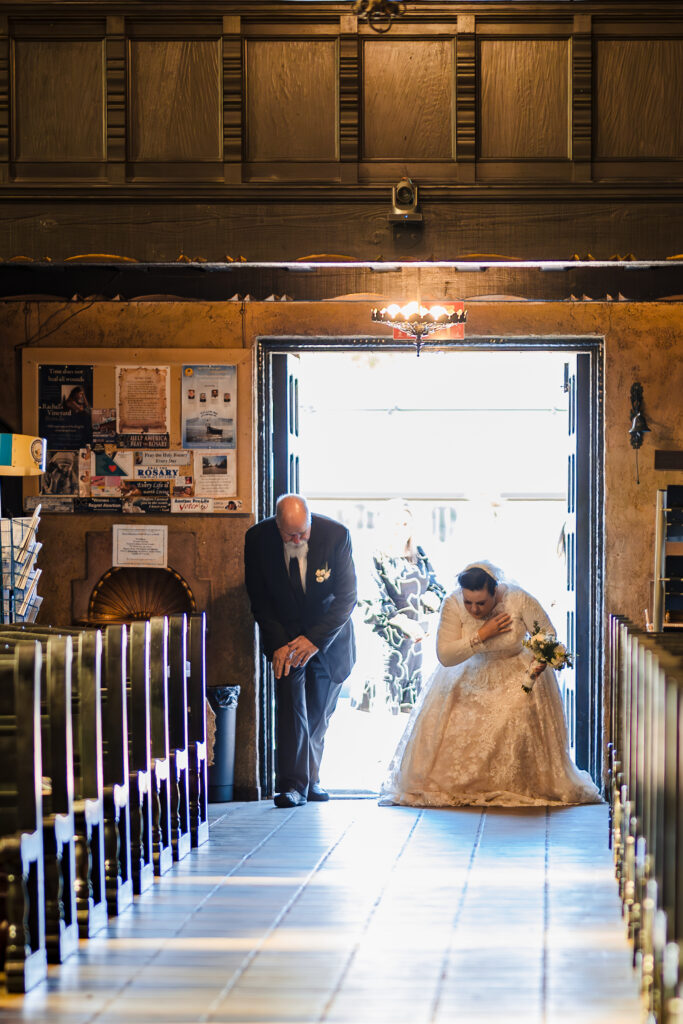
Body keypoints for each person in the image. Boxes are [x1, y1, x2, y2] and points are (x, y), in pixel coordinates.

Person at [380, 560, 601, 807]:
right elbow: (445, 655)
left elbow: (547, 634)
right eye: (469, 603)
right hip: (468, 673)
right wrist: (481, 635)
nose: (474, 609)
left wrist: (539, 660)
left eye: (481, 603)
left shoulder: (518, 600)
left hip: (515, 674)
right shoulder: (453, 603)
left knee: (516, 710)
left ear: (494, 591)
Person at [244, 494, 357, 808]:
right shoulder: (257, 538)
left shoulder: (336, 535)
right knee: (292, 709)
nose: (296, 539)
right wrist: (280, 642)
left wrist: (314, 640)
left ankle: (310, 778)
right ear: (277, 524)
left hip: (328, 637)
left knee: (318, 713)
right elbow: (260, 598)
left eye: (302, 534)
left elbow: (346, 598)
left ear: (310, 521)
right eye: (289, 535)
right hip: (286, 637)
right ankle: (293, 787)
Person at [362, 500, 445, 713]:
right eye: (396, 523)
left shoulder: (421, 555)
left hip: (416, 649)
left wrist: (433, 598)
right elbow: (373, 601)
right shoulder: (375, 557)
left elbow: (438, 588)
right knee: (384, 714)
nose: (401, 529)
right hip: (388, 647)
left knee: (412, 718)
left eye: (406, 524)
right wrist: (402, 622)